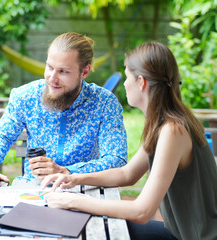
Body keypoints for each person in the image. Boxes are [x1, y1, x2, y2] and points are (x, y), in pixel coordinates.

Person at [41, 42, 217, 239]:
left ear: (141, 82)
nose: (125, 83)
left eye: (127, 77)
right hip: (179, 233)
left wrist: (72, 202)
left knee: (98, 228)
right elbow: (128, 174)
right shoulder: (164, 123)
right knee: (99, 225)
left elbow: (142, 212)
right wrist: (73, 178)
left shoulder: (172, 131)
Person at [0, 32, 127, 188]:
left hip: (84, 189)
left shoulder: (105, 103)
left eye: (63, 71)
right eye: (49, 67)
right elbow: (2, 135)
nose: (52, 78)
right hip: (33, 189)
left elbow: (117, 160)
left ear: (85, 72)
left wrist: (67, 171)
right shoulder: (25, 96)